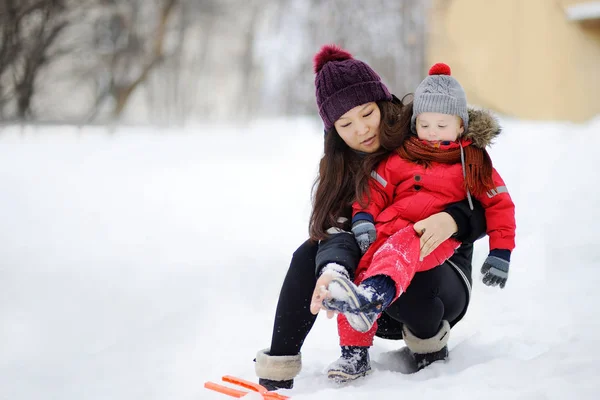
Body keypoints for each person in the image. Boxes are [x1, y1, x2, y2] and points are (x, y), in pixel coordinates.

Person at [253, 44, 487, 391]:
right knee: (309, 253)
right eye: (346, 124)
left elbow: (489, 204)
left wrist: (453, 220)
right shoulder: (342, 170)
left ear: (381, 102)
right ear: (333, 131)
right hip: (372, 299)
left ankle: (428, 347)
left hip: (439, 280)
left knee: (411, 257)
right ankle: (275, 374)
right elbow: (336, 231)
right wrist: (332, 271)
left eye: (366, 113)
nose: (361, 129)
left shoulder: (423, 131)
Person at [312, 62, 516, 382]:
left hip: (430, 238)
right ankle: (354, 352)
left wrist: (500, 253)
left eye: (442, 124)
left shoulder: (472, 164)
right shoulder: (401, 157)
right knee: (360, 269)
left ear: (461, 125)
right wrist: (364, 219)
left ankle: (376, 295)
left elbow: (499, 205)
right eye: (424, 124)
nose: (432, 132)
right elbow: (373, 189)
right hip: (388, 231)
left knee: (405, 243)